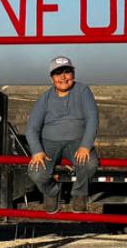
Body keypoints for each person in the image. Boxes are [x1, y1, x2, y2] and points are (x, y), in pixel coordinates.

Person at [26, 56, 100, 213]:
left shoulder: (83, 91)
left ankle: (79, 194)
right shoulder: (45, 97)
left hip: (78, 142)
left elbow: (92, 118)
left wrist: (85, 146)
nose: (63, 77)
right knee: (36, 173)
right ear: (51, 78)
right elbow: (32, 127)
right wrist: (37, 151)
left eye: (67, 72)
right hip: (49, 143)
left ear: (73, 74)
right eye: (58, 73)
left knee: (90, 164)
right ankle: (52, 192)